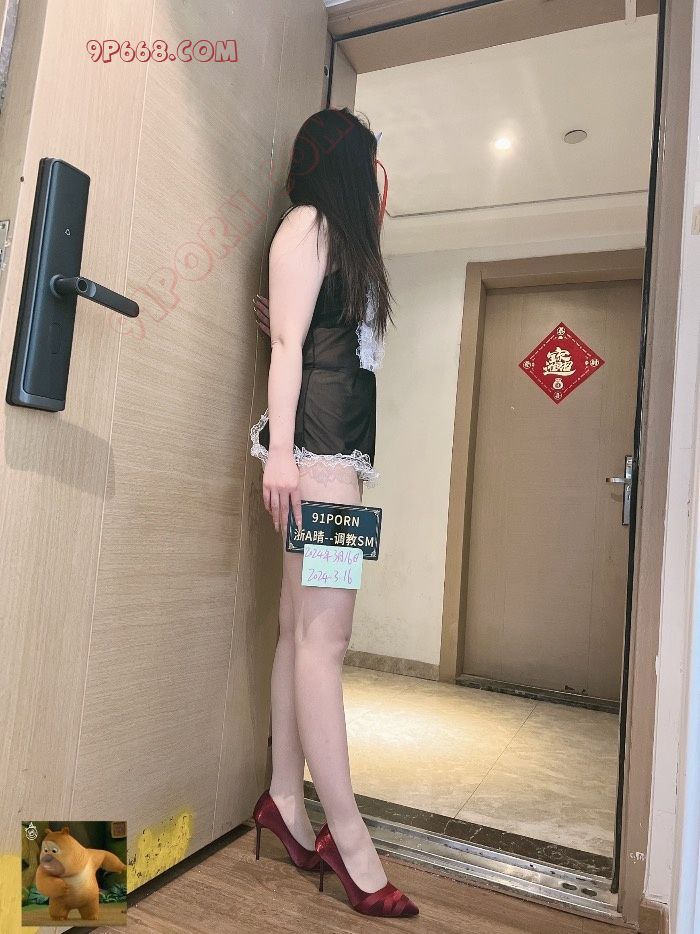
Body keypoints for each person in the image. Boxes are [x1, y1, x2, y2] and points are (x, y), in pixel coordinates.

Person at [249, 107, 419, 918]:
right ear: (352, 165)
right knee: (326, 642)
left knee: (300, 633)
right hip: (317, 463)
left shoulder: (333, 240)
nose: (381, 181)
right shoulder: (310, 225)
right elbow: (288, 349)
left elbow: (305, 338)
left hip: (328, 458)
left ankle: (284, 798)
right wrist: (282, 452)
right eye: (374, 164)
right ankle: (349, 843)